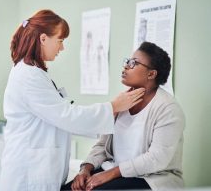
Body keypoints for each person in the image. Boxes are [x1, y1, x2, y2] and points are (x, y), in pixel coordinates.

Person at [0, 9, 145, 191]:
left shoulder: (33, 72)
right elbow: (67, 116)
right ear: (43, 39)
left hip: (36, 170)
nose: (62, 47)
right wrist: (113, 106)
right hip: (27, 176)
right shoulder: (28, 76)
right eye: (60, 40)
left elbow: (61, 114)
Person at [63, 42, 185, 191]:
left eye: (134, 63)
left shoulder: (168, 109)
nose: (126, 66)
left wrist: (110, 174)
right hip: (117, 173)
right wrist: (85, 169)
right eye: (128, 61)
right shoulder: (122, 103)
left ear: (151, 74)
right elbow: (102, 145)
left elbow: (157, 159)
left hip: (150, 178)